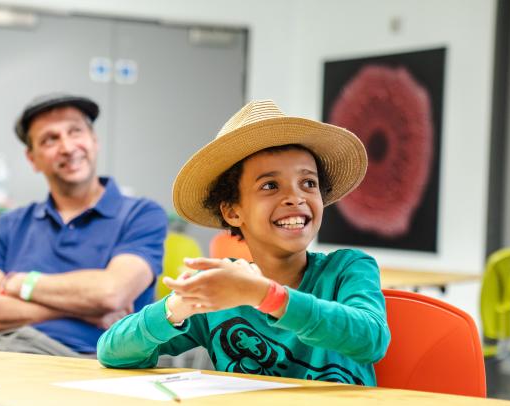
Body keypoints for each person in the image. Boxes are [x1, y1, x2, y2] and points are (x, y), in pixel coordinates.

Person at [97, 99, 389, 385]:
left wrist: (268, 296)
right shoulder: (222, 289)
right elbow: (112, 352)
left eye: (308, 183)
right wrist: (177, 307)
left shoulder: (348, 268)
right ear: (232, 211)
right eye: (270, 185)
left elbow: (370, 340)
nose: (296, 197)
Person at [0, 93, 167, 357]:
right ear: (32, 159)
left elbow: (111, 293)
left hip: (94, 358)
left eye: (75, 131)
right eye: (50, 139)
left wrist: (24, 285)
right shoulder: (9, 225)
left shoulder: (142, 214)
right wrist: (80, 306)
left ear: (94, 140)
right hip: (4, 348)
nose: (67, 147)